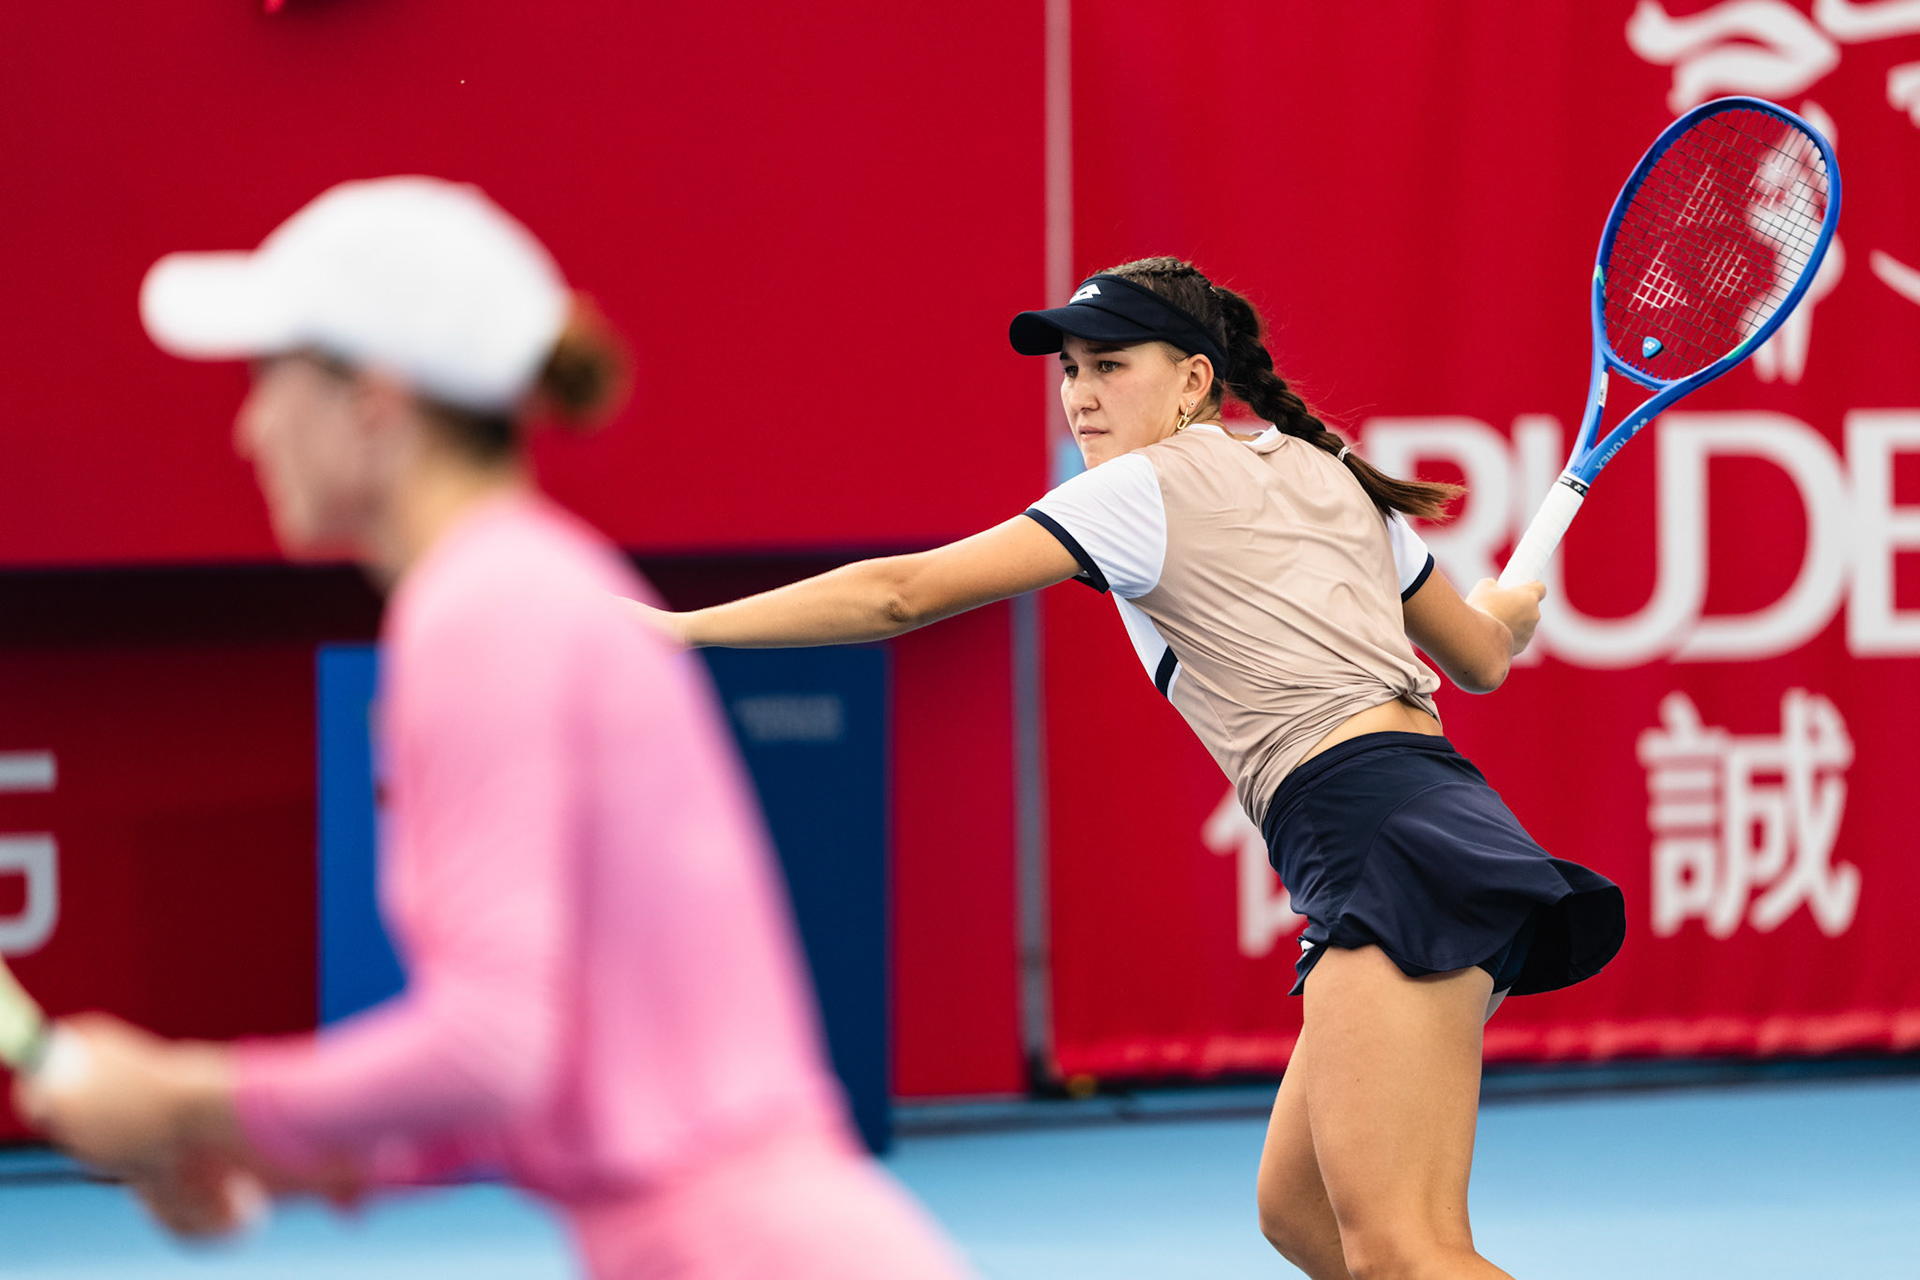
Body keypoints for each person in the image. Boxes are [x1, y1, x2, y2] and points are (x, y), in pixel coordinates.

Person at [14, 176, 972, 1280]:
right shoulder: (527, 583)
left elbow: (487, 1047)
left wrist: (179, 1090)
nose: (246, 424)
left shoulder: (480, 609)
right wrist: (252, 1151)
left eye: (269, 376)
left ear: (373, 399)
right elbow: (540, 1081)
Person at [630, 257, 1627, 1279]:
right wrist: (1500, 612)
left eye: (1111, 364)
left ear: (1194, 379)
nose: (1082, 394)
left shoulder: (1135, 489)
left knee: (1408, 1251)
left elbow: (902, 594)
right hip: (1420, 818)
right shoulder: (1330, 471)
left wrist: (679, 629)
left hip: (1380, 837)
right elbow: (1482, 658)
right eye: (1070, 369)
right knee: (1300, 1213)